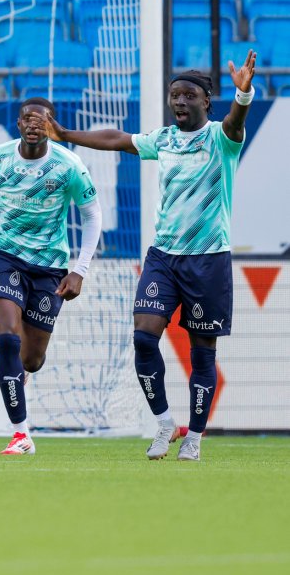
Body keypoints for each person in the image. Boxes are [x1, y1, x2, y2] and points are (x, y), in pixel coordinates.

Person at [27, 53, 257, 462]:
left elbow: (236, 122)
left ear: (207, 101)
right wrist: (66, 134)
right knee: (143, 335)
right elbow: (118, 139)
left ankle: (195, 437)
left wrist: (243, 93)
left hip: (208, 259)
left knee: (202, 352)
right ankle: (165, 423)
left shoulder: (222, 139)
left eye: (189, 95)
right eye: (175, 95)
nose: (180, 102)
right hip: (163, 257)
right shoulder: (165, 139)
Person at [0, 98, 102, 455]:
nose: (34, 124)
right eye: (28, 119)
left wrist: (79, 270)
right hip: (3, 256)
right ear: (18, 124)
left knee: (31, 359)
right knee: (6, 338)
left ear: (51, 126)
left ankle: (22, 377)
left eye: (42, 120)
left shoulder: (69, 166)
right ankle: (21, 434)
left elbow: (92, 215)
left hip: (49, 266)